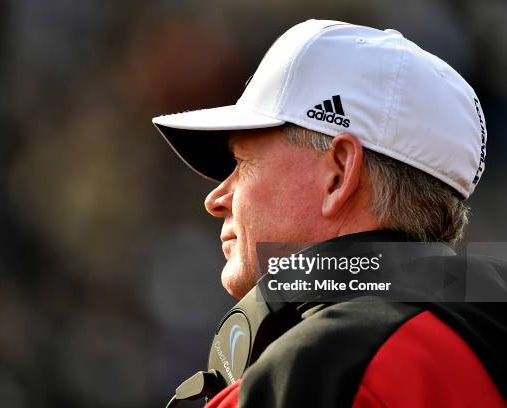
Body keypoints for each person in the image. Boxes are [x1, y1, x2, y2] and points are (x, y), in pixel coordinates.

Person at [152, 20, 507, 407]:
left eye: (242, 163)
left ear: (338, 175)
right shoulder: (470, 342)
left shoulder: (320, 372)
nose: (216, 198)